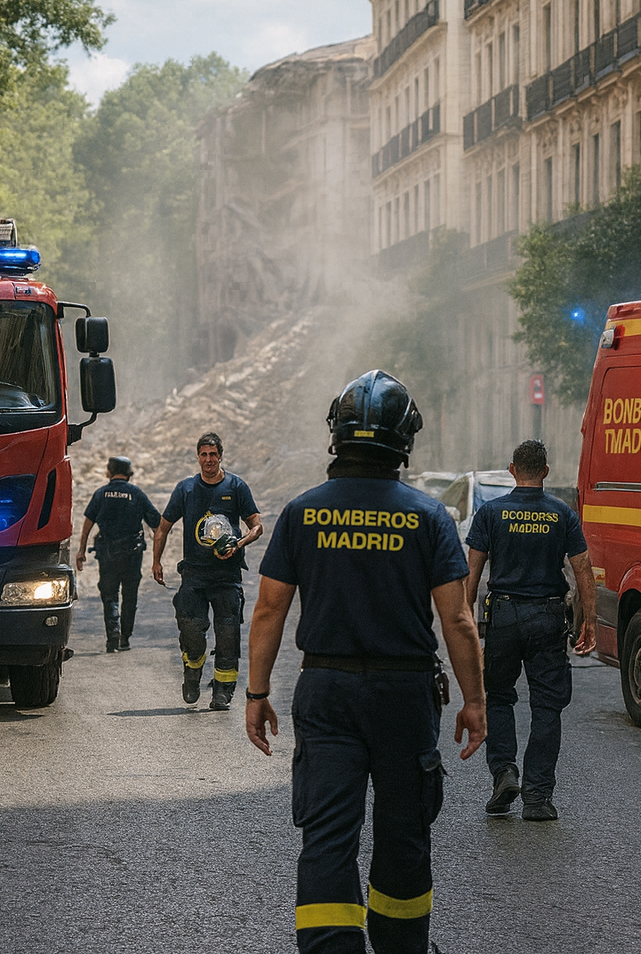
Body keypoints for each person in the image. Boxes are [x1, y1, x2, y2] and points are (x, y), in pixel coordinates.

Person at [245, 370, 486, 954]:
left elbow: (270, 608)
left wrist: (255, 695)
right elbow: (457, 620)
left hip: (325, 692)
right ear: (406, 440)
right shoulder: (429, 518)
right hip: (405, 697)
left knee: (327, 834)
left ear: (337, 435)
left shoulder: (303, 513)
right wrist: (475, 701)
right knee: (404, 832)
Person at [464, 439, 596, 822]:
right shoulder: (562, 515)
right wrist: (589, 620)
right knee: (547, 706)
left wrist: (467, 623)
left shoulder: (490, 513)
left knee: (500, 697)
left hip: (503, 615)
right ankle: (537, 797)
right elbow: (583, 570)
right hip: (548, 618)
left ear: (511, 469)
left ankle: (504, 772)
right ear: (546, 472)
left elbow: (471, 576)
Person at [152, 432, 262, 710]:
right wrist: (156, 561)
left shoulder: (236, 486)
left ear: (220, 456)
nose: (209, 459)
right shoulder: (186, 489)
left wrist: (240, 543)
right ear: (198, 456)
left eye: (213, 454)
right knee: (191, 632)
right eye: (204, 454)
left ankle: (223, 692)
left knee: (228, 638)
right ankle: (192, 671)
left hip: (227, 577)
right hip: (194, 576)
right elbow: (163, 527)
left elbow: (257, 525)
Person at [75, 456, 159, 652]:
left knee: (109, 594)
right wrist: (157, 556)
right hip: (132, 554)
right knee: (130, 596)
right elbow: (157, 524)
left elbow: (88, 523)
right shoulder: (137, 494)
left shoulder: (101, 494)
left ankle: (112, 633)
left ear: (109, 473)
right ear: (129, 474)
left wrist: (81, 550)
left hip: (107, 554)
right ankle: (125, 638)